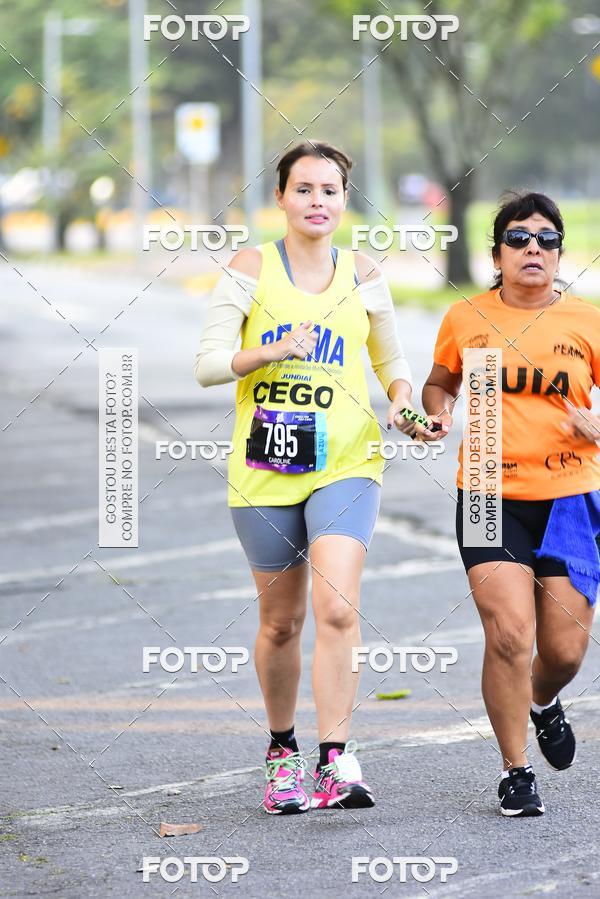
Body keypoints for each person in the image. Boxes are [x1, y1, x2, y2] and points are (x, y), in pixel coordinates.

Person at [195, 140, 425, 813]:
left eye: (329, 190)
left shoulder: (363, 273)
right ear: (281, 198)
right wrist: (269, 349)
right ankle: (280, 752)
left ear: (344, 199)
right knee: (281, 622)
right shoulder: (250, 267)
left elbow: (392, 362)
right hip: (266, 471)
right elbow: (208, 364)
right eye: (304, 189)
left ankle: (336, 758)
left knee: (337, 607)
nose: (317, 201)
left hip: (347, 463)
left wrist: (408, 410)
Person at [422, 192, 600, 817]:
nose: (533, 248)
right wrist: (438, 411)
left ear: (558, 254)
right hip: (488, 497)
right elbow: (440, 381)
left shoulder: (588, 320)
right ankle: (516, 770)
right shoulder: (466, 317)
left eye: (547, 239)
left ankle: (543, 702)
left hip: (571, 499)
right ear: (497, 253)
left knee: (564, 653)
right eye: (519, 237)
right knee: (509, 634)